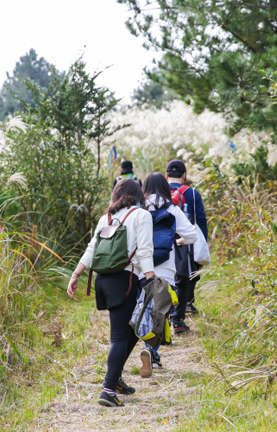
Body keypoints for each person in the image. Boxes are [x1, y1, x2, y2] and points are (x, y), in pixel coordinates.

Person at [68, 179, 155, 407]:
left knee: (133, 331)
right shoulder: (141, 215)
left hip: (104, 280)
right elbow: (145, 250)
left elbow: (91, 248)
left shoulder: (105, 218)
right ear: (139, 195)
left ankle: (115, 380)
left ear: (117, 194)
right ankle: (107, 389)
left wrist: (76, 275)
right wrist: (151, 279)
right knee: (119, 337)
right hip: (125, 280)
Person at [138, 172, 197, 378]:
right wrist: (175, 241)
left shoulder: (139, 207)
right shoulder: (172, 209)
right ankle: (152, 351)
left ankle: (147, 347)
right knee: (160, 312)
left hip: (140, 268)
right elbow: (192, 235)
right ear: (165, 187)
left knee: (143, 309)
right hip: (165, 270)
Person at [166, 159, 208, 334]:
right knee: (183, 281)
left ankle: (164, 316)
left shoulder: (157, 193)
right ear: (184, 176)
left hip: (163, 241)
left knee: (164, 278)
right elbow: (201, 222)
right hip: (186, 242)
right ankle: (178, 321)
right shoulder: (192, 194)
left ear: (166, 175)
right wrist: (202, 246)